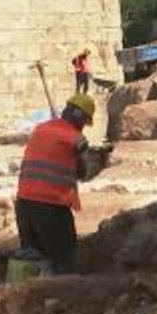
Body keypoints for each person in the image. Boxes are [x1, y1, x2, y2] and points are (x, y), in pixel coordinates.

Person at [15, 93, 107, 274]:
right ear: (80, 117)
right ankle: (61, 298)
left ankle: (26, 297)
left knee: (30, 260)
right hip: (51, 207)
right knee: (63, 260)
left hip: (24, 205)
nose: (84, 127)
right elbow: (83, 172)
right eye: (85, 121)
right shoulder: (75, 138)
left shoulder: (40, 129)